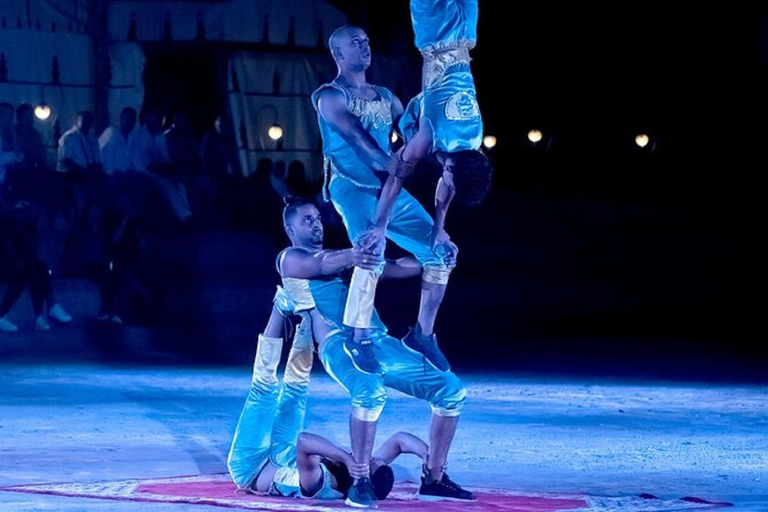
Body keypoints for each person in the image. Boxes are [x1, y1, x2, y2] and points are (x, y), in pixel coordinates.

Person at [277, 196, 474, 508]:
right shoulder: (290, 258)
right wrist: (357, 255)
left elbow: (396, 267)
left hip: (379, 342)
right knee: (370, 391)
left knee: (451, 390)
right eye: (306, 220)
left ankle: (434, 478)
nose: (316, 224)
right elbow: (322, 263)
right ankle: (360, 480)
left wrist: (434, 259)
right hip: (339, 344)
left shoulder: (349, 260)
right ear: (290, 229)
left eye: (317, 218)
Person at [312, 25, 454, 376]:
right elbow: (357, 137)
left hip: (387, 186)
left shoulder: (387, 96)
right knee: (369, 253)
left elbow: (414, 136)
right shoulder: (329, 96)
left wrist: (449, 157)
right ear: (339, 54)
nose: (365, 45)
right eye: (355, 43)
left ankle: (422, 334)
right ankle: (359, 336)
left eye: (367, 40)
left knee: (440, 254)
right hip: (349, 185)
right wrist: (390, 162)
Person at [226, 284, 398, 502]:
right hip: (281, 453)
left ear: (359, 476)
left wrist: (346, 458)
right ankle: (306, 316)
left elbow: (304, 440)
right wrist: (429, 460)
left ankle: (279, 307)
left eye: (368, 463)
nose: (366, 458)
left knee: (264, 391)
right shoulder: (362, 467)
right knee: (297, 392)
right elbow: (400, 441)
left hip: (252, 466)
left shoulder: (319, 484)